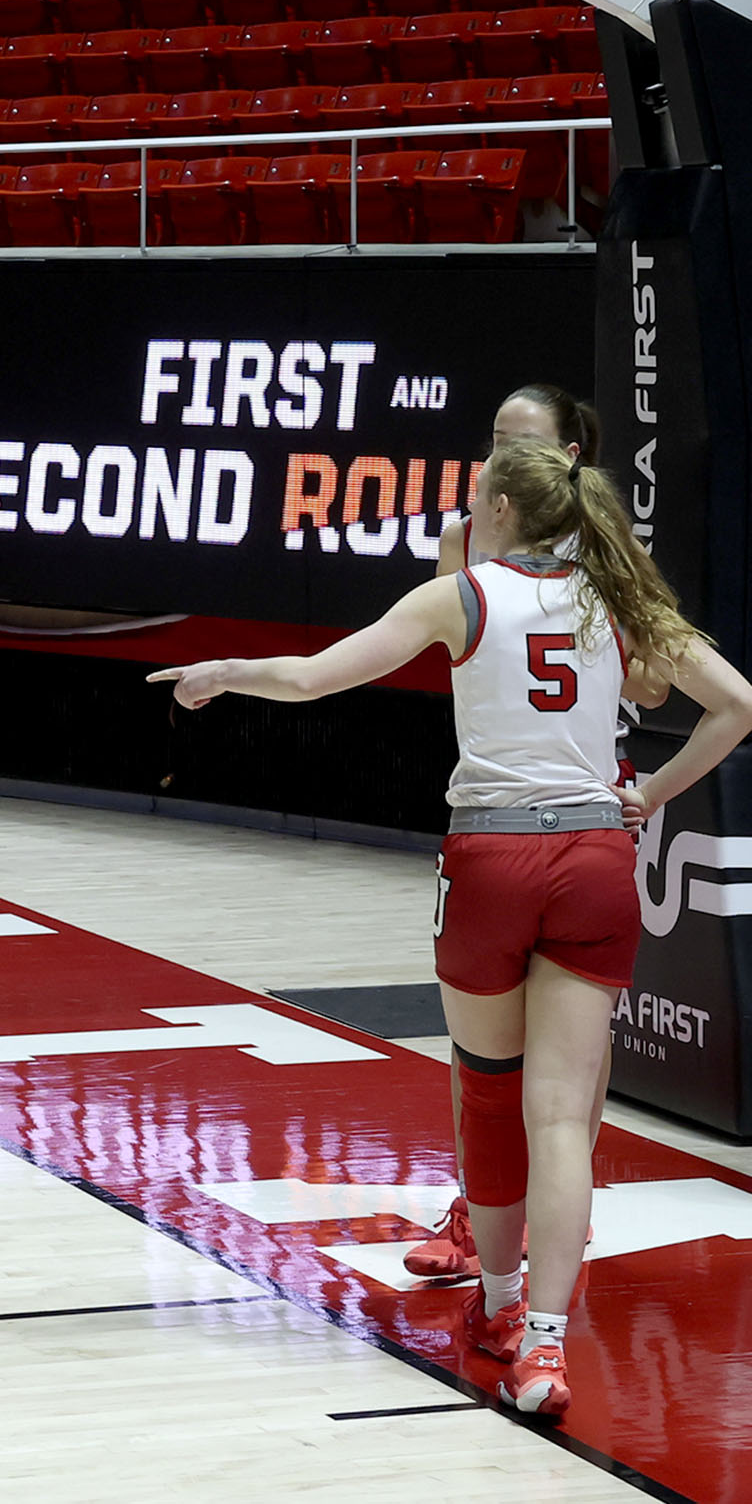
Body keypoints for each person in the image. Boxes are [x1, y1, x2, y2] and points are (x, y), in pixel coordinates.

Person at [152, 439, 752, 1422]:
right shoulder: (617, 596)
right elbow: (737, 706)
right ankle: (547, 1345)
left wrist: (224, 670)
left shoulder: (462, 594)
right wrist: (649, 792)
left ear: (502, 511)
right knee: (564, 1118)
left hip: (493, 858)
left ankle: (502, 1305)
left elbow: (313, 678)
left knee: (489, 1095)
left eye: (476, 496)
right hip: (596, 858)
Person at [408, 382, 617, 1284]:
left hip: (588, 796)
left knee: (570, 1061)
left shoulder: (605, 545)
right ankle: (480, 1206)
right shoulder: (466, 538)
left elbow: (654, 683)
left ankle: (557, 1214)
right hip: (498, 799)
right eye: (494, 436)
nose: (497, 453)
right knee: (485, 1052)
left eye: (517, 438)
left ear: (567, 455)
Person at [434, 384, 599, 577]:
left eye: (528, 444)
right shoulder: (460, 539)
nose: (511, 456)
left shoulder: (604, 542)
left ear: (570, 455)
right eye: (502, 442)